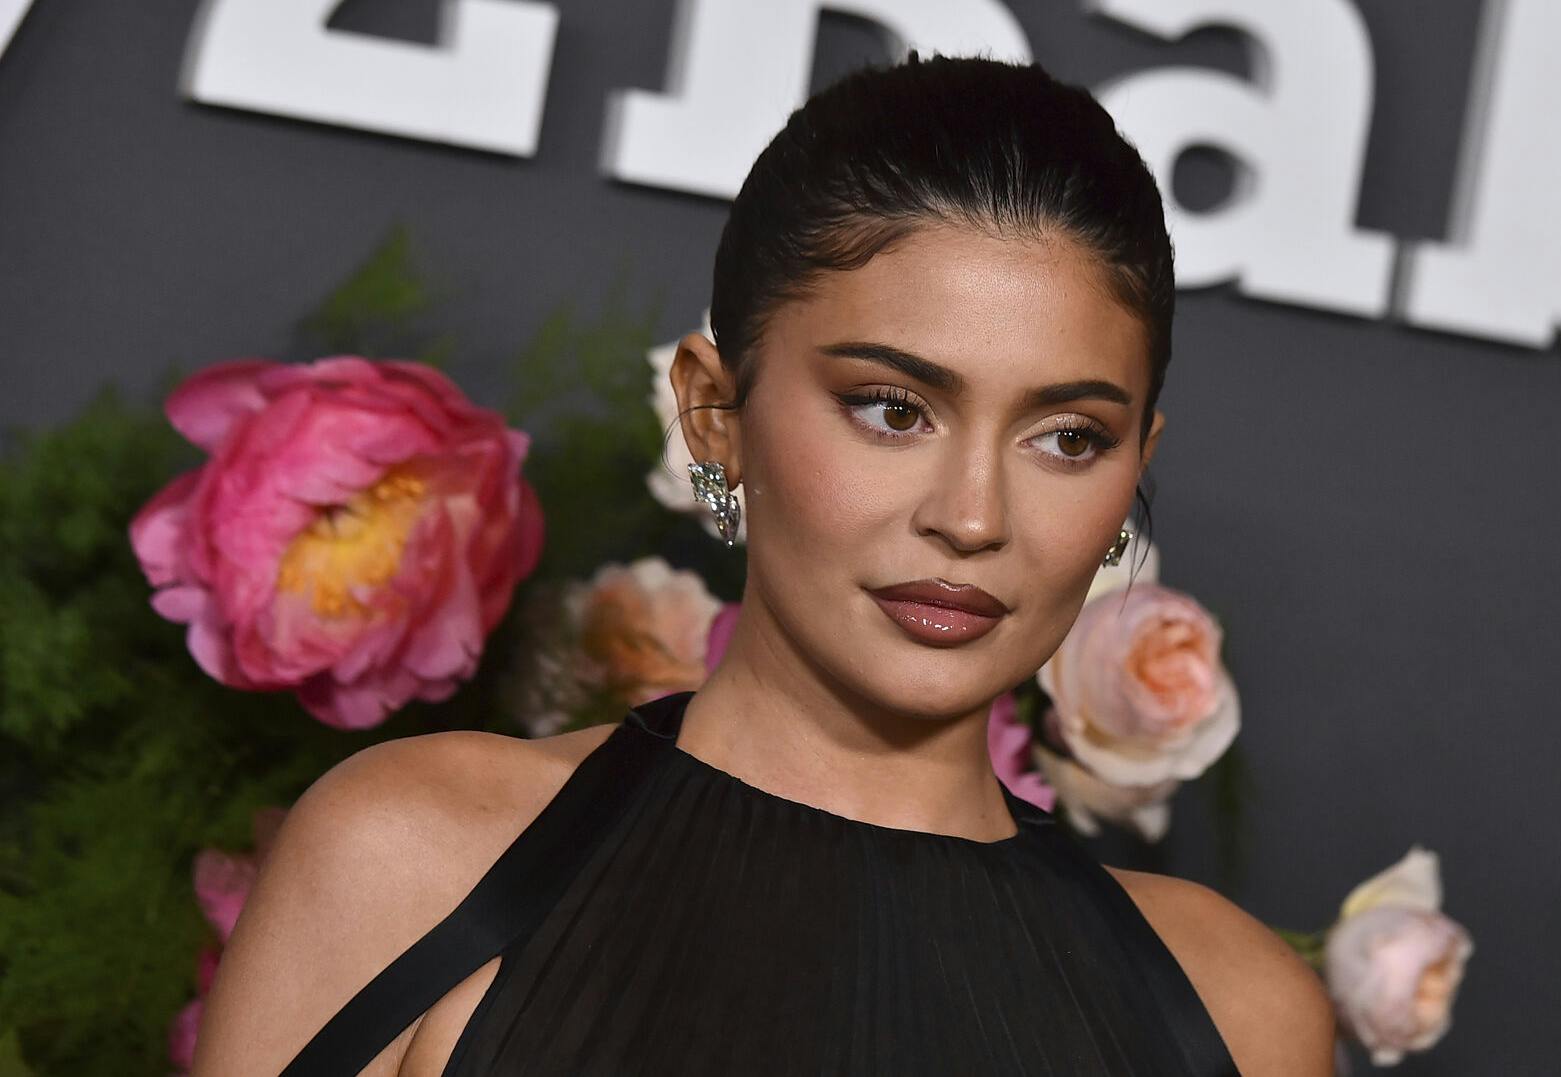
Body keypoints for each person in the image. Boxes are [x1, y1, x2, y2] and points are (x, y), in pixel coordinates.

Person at [190, 53, 1335, 1076]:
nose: (974, 517)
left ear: (1136, 460)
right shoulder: (411, 862)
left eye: (1068, 437)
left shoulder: (1236, 1017)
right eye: (892, 409)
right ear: (714, 414)